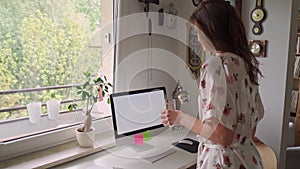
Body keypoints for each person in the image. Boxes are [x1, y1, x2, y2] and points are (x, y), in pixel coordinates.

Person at [161, 0, 265, 168]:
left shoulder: (215, 66)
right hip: (248, 160)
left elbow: (222, 136)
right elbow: (251, 129)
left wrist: (180, 117)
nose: (198, 37)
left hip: (223, 162)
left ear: (211, 31)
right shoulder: (244, 64)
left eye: (198, 31)